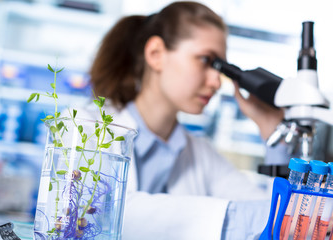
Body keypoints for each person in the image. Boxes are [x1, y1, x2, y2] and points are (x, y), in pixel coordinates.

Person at [76, 1, 284, 239]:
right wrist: (236, 219)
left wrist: (274, 136)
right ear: (155, 54)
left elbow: (272, 214)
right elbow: (108, 213)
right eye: (206, 60)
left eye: (221, 69)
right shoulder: (87, 130)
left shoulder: (201, 154)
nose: (216, 82)